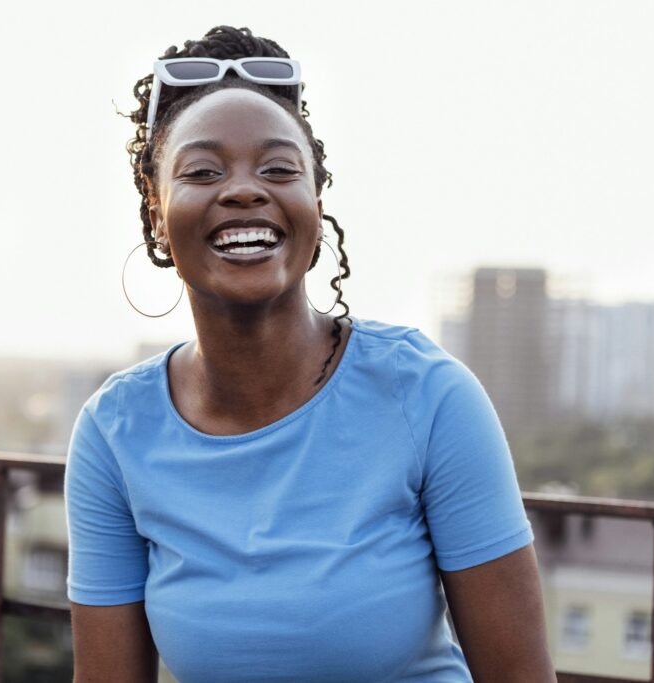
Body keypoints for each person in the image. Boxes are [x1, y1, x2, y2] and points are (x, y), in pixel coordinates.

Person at [65, 25, 556, 683]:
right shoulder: (114, 433)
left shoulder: (429, 396)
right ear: (157, 212)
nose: (243, 189)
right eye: (203, 170)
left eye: (278, 168)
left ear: (315, 207)